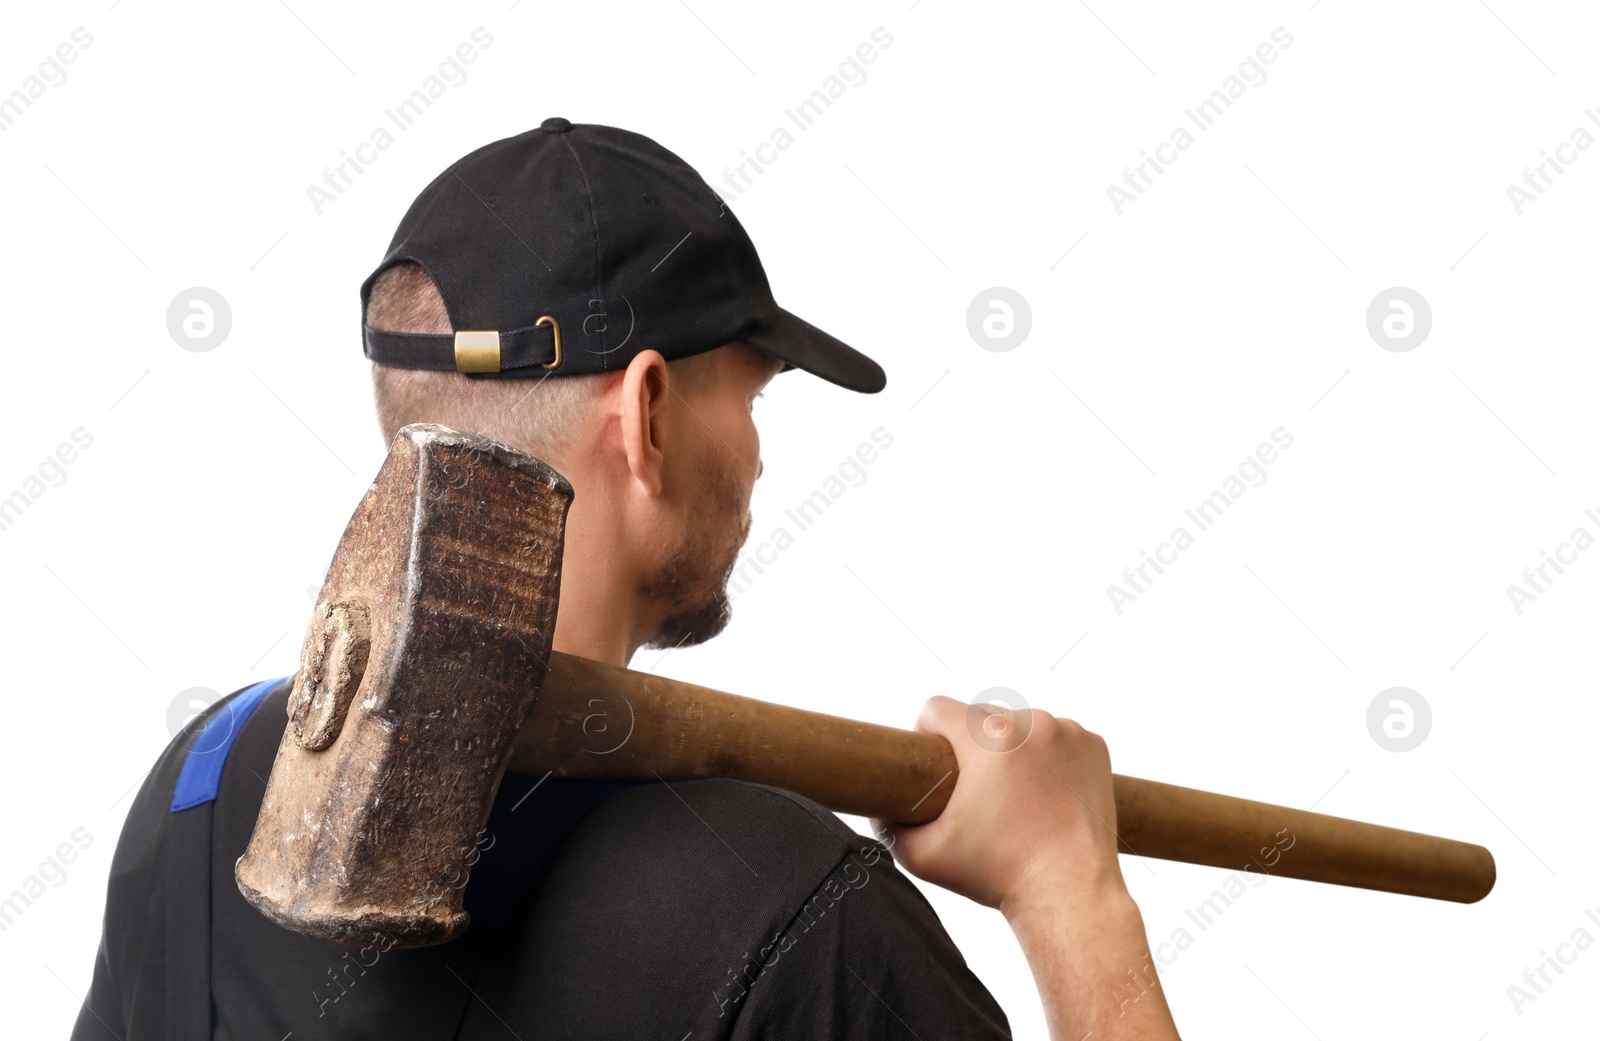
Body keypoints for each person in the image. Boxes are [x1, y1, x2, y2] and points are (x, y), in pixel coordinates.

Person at [71, 118, 1181, 1040]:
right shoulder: (799, 917)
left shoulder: (200, 790)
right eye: (751, 400)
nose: (758, 454)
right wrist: (1069, 890)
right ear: (645, 415)